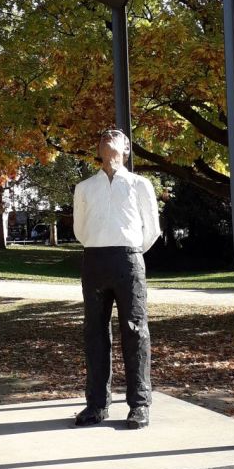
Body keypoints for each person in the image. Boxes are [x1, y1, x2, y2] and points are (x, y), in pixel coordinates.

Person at [72, 128, 161, 429]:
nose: (109, 136)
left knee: (136, 331)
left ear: (127, 149)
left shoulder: (139, 184)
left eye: (117, 135)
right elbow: (80, 230)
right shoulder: (84, 188)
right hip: (94, 261)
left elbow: (151, 230)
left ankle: (140, 405)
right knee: (94, 334)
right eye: (103, 136)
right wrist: (101, 243)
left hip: (129, 260)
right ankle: (96, 405)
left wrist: (128, 249)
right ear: (98, 149)